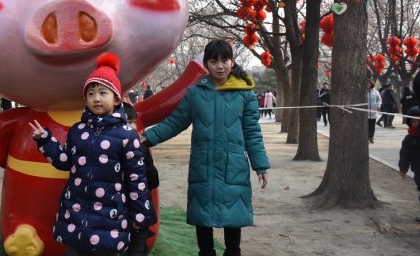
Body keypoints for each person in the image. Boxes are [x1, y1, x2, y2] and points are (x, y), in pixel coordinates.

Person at [141, 39, 270, 256]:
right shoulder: (195, 93)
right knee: (202, 216)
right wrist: (146, 137)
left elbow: (252, 132)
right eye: (214, 61)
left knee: (233, 216)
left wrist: (261, 165)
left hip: (234, 165)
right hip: (204, 165)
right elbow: (175, 122)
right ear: (207, 64)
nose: (220, 66)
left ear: (232, 61)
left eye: (225, 60)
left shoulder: (245, 94)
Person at [28, 53, 153, 256]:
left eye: (103, 92)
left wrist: (140, 215)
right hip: (75, 215)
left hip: (110, 219)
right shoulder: (77, 131)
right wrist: (45, 140)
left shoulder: (127, 135)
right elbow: (64, 162)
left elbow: (136, 179)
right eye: (91, 93)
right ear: (85, 100)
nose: (96, 98)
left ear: (116, 98)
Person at [123, 102, 159, 256]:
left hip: (127, 212)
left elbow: (152, 177)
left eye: (133, 122)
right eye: (127, 122)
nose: (131, 127)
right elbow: (153, 179)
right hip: (137, 209)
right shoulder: (140, 146)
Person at [398, 106, 420, 223]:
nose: (416, 123)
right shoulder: (409, 138)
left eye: (418, 120)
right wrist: (403, 168)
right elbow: (404, 154)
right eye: (413, 121)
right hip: (418, 168)